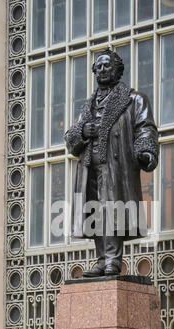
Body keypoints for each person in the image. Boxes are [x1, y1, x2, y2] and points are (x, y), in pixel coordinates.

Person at [65, 48, 158, 277]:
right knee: (96, 210)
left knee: (112, 210)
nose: (102, 70)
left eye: (107, 65)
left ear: (117, 70)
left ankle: (112, 261)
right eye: (98, 67)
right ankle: (102, 260)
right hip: (90, 168)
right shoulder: (88, 106)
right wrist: (82, 131)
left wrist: (145, 150)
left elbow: (145, 128)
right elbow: (70, 139)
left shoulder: (133, 99)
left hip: (116, 167)